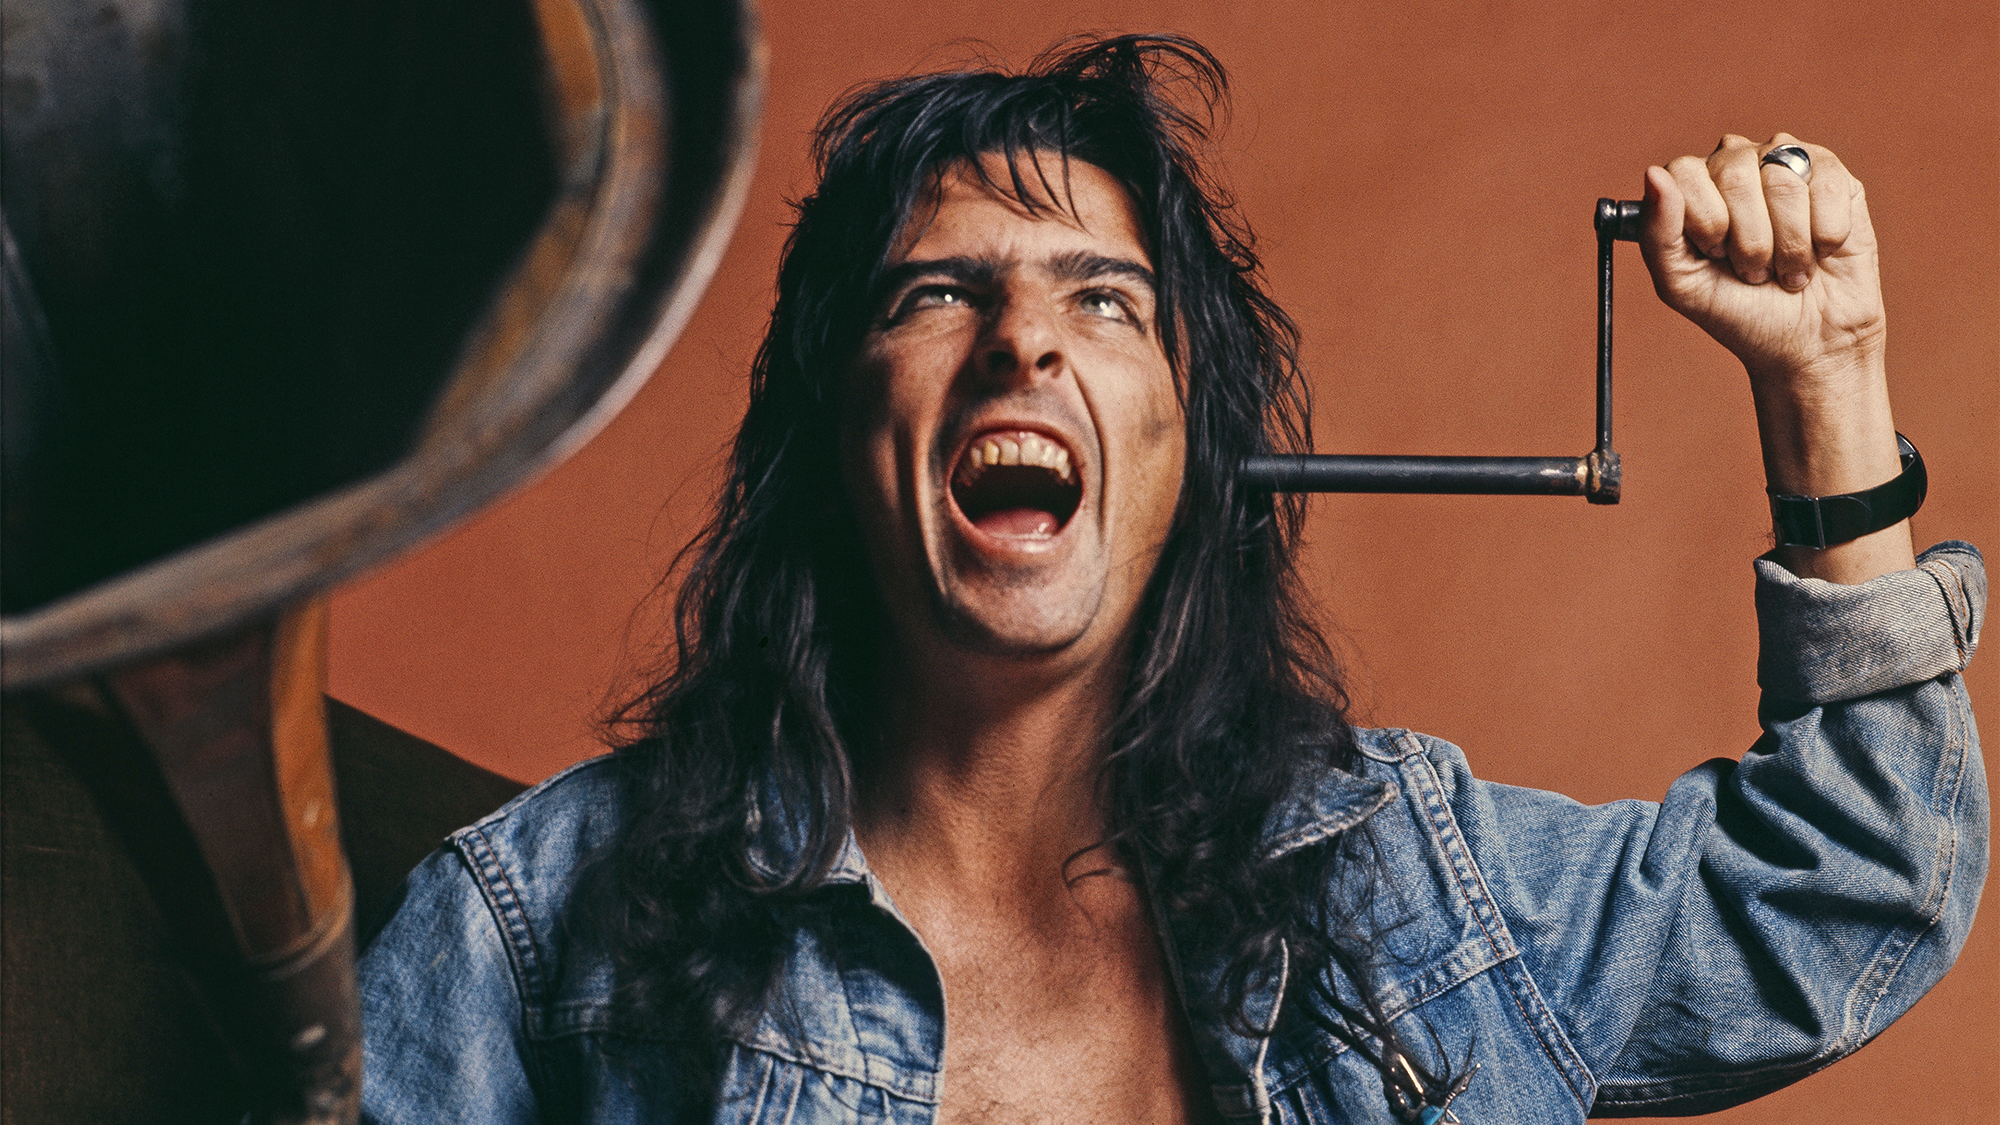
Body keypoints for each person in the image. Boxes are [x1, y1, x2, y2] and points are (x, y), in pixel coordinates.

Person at [357, 35, 1985, 1124]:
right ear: (832, 430)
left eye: (1107, 300)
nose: (1026, 339)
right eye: (936, 292)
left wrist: (1827, 376)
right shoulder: (527, 928)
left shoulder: (1408, 893)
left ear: (1186, 448)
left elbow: (1855, 882)